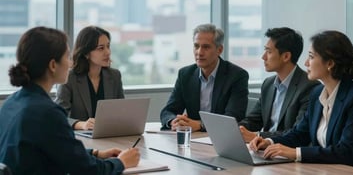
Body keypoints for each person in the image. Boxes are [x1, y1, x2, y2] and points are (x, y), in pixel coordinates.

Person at [0, 26, 140, 175]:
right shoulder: (48, 113)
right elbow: (87, 170)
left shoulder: (11, 103)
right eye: (67, 57)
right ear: (53, 65)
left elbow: (58, 149)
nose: (71, 63)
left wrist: (95, 153)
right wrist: (121, 163)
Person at [249, 30, 353, 171]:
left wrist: (295, 153)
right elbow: (300, 133)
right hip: (322, 170)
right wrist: (269, 142)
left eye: (311, 57)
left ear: (330, 63)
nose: (306, 63)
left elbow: (347, 151)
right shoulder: (316, 94)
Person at [160, 23, 249, 132]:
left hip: (221, 138)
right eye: (196, 46)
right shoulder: (185, 74)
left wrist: (200, 125)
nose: (199, 52)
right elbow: (168, 111)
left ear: (219, 50)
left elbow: (233, 118)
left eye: (206, 47)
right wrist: (173, 121)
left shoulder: (237, 76)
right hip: (193, 138)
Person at [239, 27, 319, 141]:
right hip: (263, 148)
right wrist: (236, 130)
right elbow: (253, 120)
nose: (263, 57)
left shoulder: (310, 87)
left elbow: (296, 132)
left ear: (286, 56)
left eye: (269, 52)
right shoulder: (268, 84)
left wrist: (259, 137)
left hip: (286, 151)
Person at [55, 26, 124, 130]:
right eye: (101, 48)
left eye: (108, 46)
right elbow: (58, 116)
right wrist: (81, 124)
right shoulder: (69, 78)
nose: (108, 52)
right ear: (86, 53)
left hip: (108, 135)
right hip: (80, 138)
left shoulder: (114, 76)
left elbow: (121, 111)